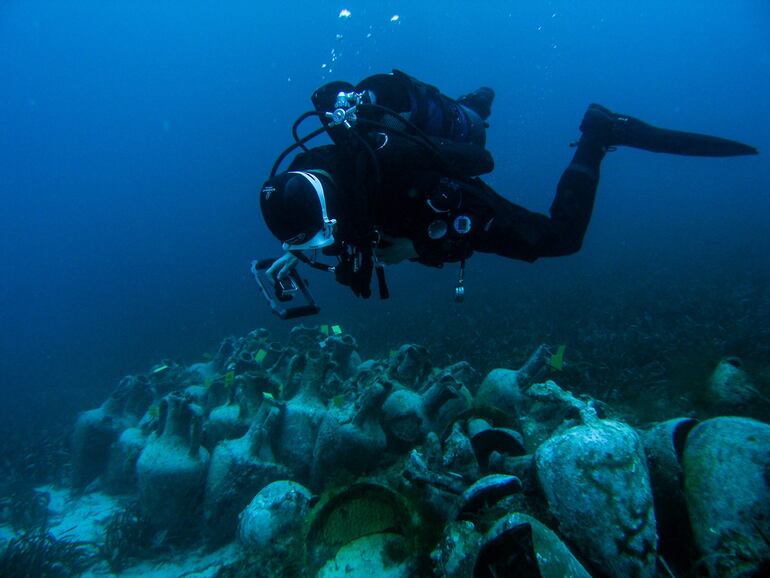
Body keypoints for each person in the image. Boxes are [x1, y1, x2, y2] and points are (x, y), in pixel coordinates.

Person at [259, 70, 757, 300]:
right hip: (408, 166)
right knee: (465, 119)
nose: (327, 243)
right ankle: (474, 103)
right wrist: (296, 244)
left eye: (324, 234)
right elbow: (322, 219)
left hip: (442, 186)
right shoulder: (319, 163)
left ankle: (599, 132)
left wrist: (413, 247)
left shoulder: (407, 180)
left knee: (561, 239)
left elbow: (460, 221)